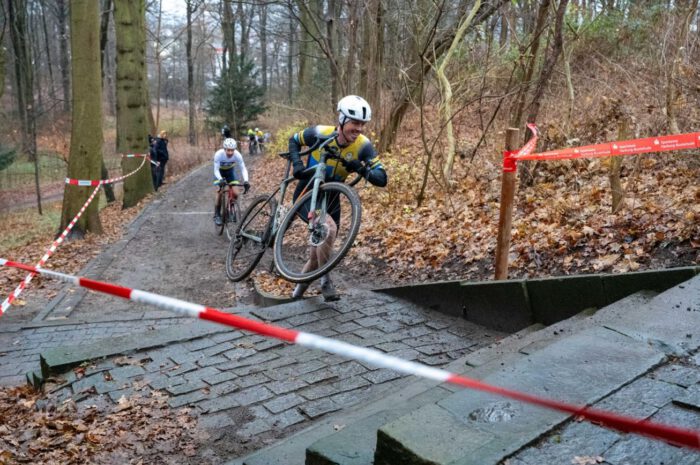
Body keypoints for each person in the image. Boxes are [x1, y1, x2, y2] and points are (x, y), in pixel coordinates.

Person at [288, 95, 387, 301]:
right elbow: (294, 141)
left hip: (333, 199)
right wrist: (297, 164)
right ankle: (326, 281)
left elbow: (382, 178)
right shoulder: (320, 133)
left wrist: (360, 167)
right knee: (329, 229)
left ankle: (295, 296)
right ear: (341, 120)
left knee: (318, 254)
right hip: (309, 194)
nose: (359, 128)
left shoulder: (363, 145)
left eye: (362, 124)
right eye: (354, 123)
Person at [213, 138, 250, 226]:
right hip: (219, 172)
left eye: (232, 150)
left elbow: (243, 168)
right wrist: (220, 180)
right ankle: (217, 215)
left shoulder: (237, 155)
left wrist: (246, 181)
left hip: (230, 172)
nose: (230, 152)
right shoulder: (218, 154)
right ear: (224, 149)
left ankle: (231, 210)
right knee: (219, 191)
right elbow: (216, 170)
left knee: (236, 192)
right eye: (228, 150)